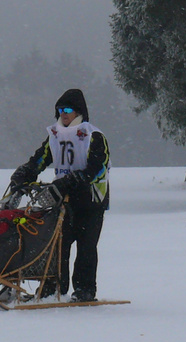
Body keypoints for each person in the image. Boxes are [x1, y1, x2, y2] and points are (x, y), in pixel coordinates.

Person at [6, 88, 110, 302]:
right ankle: (53, 289)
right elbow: (40, 159)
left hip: (91, 201)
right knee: (57, 246)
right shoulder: (55, 135)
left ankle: (84, 291)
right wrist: (23, 174)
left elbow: (97, 168)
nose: (63, 113)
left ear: (78, 111)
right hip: (64, 200)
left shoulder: (94, 136)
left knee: (86, 248)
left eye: (68, 109)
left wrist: (72, 180)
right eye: (60, 109)